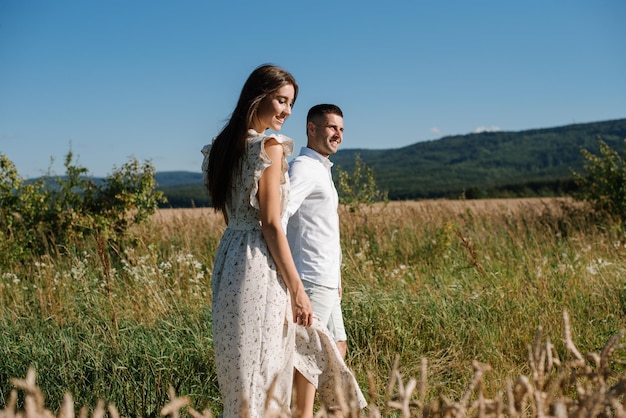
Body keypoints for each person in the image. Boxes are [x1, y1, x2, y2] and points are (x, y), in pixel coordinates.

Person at [201, 64, 314, 418]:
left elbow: (236, 213)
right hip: (258, 266)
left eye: (291, 103)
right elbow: (270, 223)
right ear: (258, 96)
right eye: (281, 100)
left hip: (229, 257)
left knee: (239, 376)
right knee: (263, 373)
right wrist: (297, 288)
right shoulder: (269, 146)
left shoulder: (221, 147)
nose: (287, 111)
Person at [283, 104, 365, 417]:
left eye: (341, 129)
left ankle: (333, 411)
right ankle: (300, 414)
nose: (338, 135)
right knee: (308, 354)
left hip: (328, 279)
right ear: (312, 128)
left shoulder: (321, 169)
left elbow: (324, 229)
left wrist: (338, 277)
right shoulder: (303, 167)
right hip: (311, 277)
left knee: (338, 346)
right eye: (332, 127)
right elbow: (281, 214)